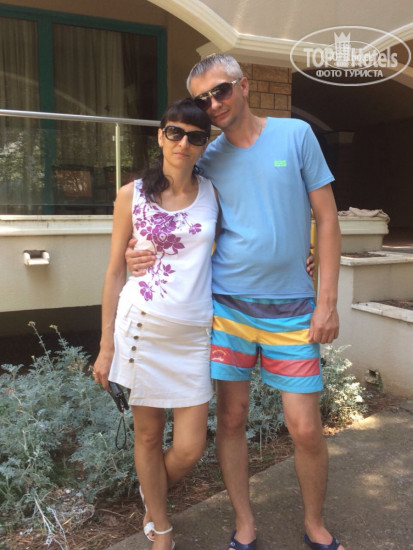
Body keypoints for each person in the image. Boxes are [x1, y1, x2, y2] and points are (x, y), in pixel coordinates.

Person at [126, 54, 343, 550]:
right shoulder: (206, 156)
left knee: (305, 428)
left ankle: (314, 524)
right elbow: (168, 212)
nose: (213, 104)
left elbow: (327, 219)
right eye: (202, 99)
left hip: (293, 308)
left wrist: (327, 300)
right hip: (227, 307)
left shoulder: (296, 135)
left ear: (243, 86)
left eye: (221, 91)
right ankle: (245, 523)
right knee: (230, 419)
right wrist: (133, 251)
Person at [92, 98, 219, 550]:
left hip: (193, 333)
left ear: (204, 145)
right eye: (174, 132)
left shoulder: (214, 194)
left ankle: (152, 497)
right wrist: (106, 345)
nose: (183, 142)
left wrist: (300, 257)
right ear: (160, 136)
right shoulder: (131, 195)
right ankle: (161, 528)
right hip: (142, 327)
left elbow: (240, 245)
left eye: (195, 136)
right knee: (148, 436)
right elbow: (115, 271)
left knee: (189, 447)